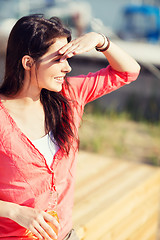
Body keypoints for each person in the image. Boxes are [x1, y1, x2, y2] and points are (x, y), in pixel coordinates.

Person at [0, 14, 140, 240]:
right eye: (58, 59)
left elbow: (128, 71)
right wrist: (16, 212)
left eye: (68, 58)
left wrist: (99, 41)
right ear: (27, 63)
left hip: (65, 235)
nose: (67, 68)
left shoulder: (70, 95)